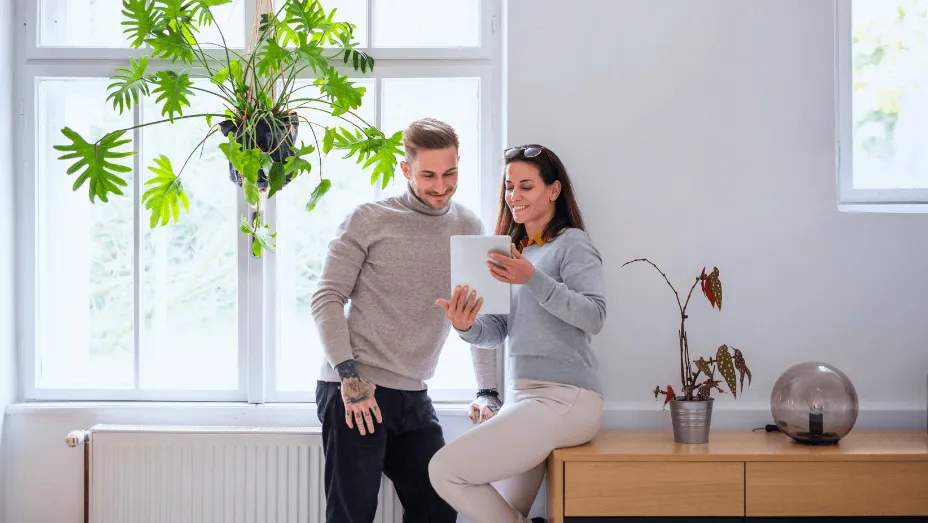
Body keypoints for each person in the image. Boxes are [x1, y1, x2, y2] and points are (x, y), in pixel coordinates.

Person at [311, 118, 502, 523]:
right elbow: (326, 298)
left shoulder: (469, 227)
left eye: (450, 173)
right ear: (405, 170)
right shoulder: (370, 219)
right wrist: (349, 378)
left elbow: (477, 312)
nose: (440, 185)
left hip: (413, 393)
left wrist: (487, 389)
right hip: (355, 388)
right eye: (427, 174)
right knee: (352, 514)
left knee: (437, 506)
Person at [430, 144, 607, 523]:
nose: (514, 196)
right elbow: (498, 331)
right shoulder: (515, 253)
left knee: (443, 470)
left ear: (553, 191)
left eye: (526, 186)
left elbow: (594, 316)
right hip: (523, 398)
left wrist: (533, 278)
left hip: (566, 399)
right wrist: (466, 327)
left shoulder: (572, 243)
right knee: (501, 514)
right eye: (510, 187)